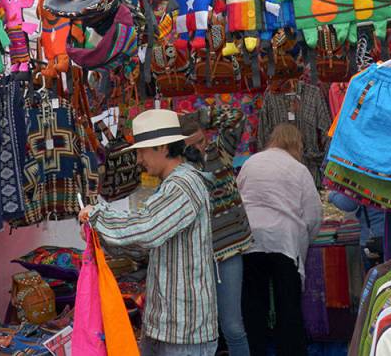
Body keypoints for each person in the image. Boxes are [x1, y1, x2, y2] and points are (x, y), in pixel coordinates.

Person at [79, 108, 218, 356]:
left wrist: (98, 217)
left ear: (162, 147)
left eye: (142, 151)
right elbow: (145, 245)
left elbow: (147, 228)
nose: (138, 159)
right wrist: (100, 235)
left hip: (183, 331)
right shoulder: (172, 185)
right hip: (166, 325)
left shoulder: (184, 185)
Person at [237, 123, 322, 356]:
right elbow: (313, 213)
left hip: (251, 240)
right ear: (297, 144)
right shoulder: (298, 169)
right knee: (289, 307)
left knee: (253, 306)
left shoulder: (250, 163)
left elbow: (238, 200)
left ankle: (256, 351)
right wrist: (306, 238)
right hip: (285, 241)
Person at [181, 106, 253, 356]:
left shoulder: (218, 153)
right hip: (197, 256)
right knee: (202, 327)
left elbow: (237, 117)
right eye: (191, 146)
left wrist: (199, 117)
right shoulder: (180, 171)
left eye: (201, 141)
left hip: (228, 250)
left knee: (232, 326)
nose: (198, 148)